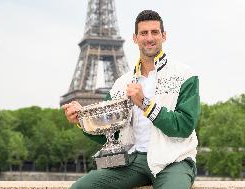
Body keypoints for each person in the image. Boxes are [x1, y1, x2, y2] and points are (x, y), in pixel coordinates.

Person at [62, 10, 200, 189]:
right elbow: (111, 133)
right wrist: (82, 119)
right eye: (144, 33)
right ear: (135, 38)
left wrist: (144, 103)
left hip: (174, 161)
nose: (149, 38)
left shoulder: (185, 75)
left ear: (164, 36)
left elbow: (184, 126)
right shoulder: (121, 84)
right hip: (134, 161)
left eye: (154, 32)